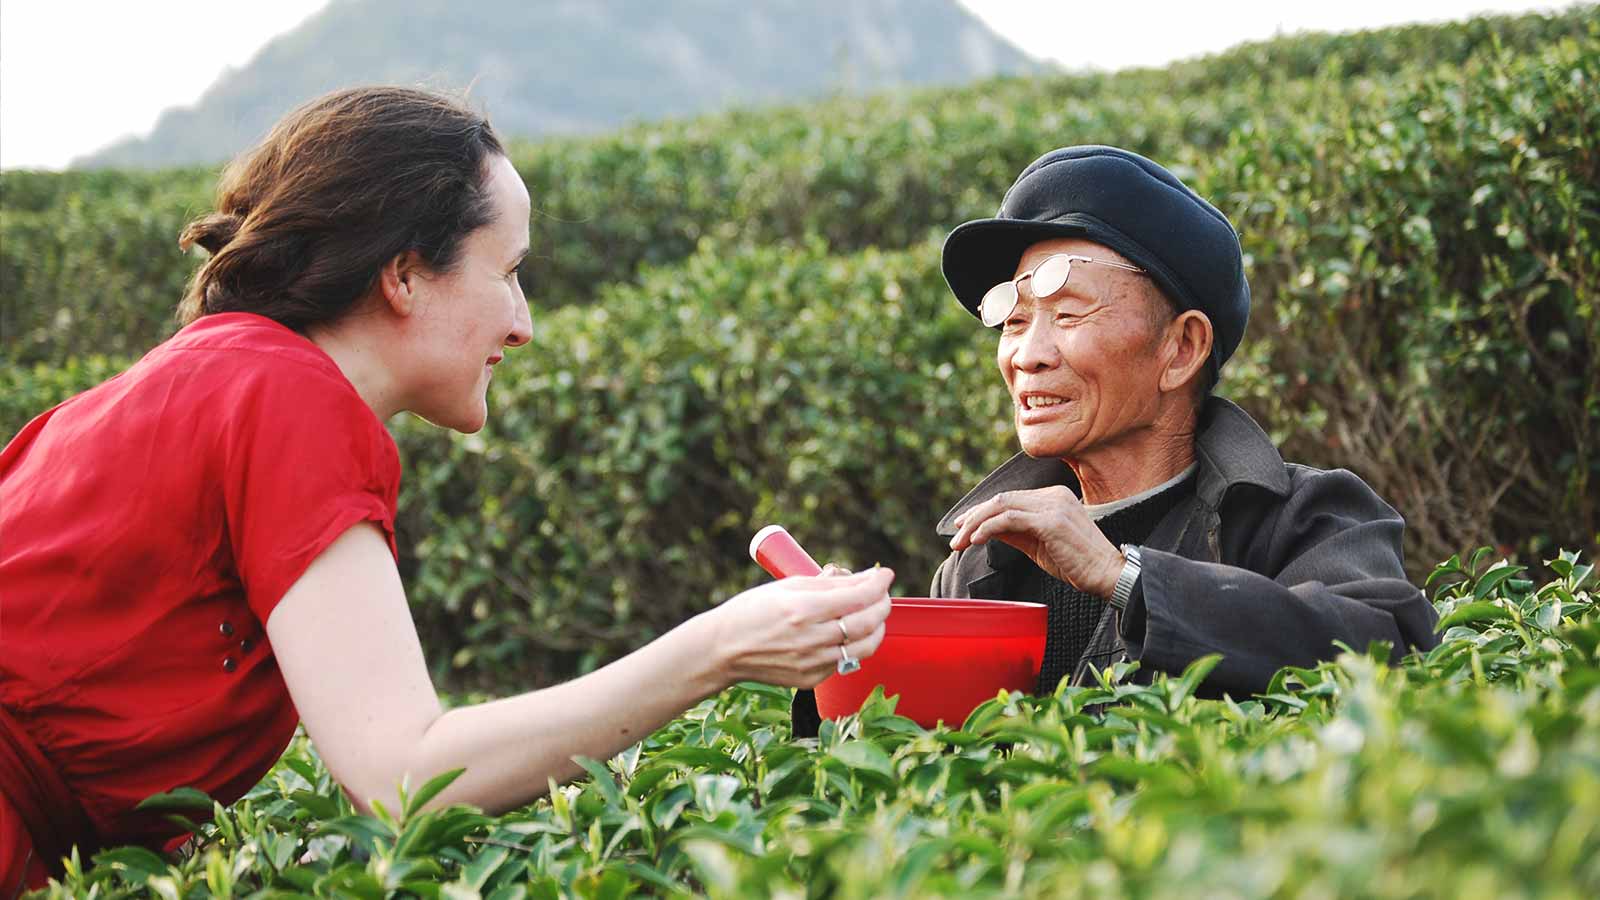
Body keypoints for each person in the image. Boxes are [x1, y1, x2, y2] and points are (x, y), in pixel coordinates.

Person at [0, 86, 893, 896]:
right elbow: (404, 777)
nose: (525, 322)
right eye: (507, 271)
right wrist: (718, 649)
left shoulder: (222, 373)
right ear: (404, 274)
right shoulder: (290, 399)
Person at [935, 145, 1441, 697]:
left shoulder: (1302, 519)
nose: (1027, 355)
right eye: (1014, 321)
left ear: (1181, 348)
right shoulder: (979, 562)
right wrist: (837, 655)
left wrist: (1126, 580)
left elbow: (1386, 649)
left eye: (1069, 314)